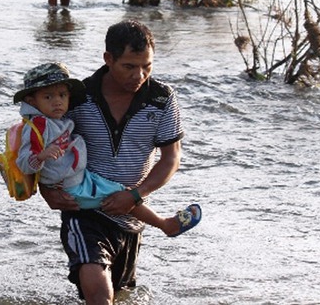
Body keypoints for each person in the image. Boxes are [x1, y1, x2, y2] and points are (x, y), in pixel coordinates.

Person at [39, 20, 192, 303]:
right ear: (108, 59)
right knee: (99, 294)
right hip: (84, 212)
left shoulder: (162, 98)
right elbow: (43, 145)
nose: (140, 75)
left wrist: (135, 195)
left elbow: (171, 158)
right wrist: (46, 190)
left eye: (147, 66)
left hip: (131, 216)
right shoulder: (78, 97)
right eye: (129, 66)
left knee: (120, 295)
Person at [14, 62, 200, 240]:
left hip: (80, 179)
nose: (57, 102)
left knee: (121, 195)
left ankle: (163, 223)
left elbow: (172, 157)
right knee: (119, 194)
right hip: (71, 187)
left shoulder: (56, 119)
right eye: (48, 97)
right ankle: (165, 224)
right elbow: (24, 163)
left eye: (62, 95)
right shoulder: (37, 126)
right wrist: (42, 158)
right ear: (31, 100)